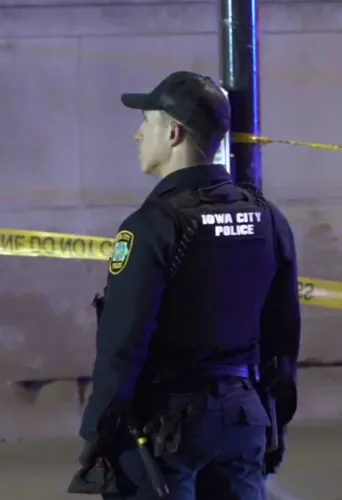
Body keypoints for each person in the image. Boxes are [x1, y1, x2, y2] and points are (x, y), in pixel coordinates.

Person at [69, 71, 301, 499]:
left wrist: (98, 433)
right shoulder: (267, 218)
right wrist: (274, 422)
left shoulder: (153, 225)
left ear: (173, 133)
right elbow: (283, 336)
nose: (138, 135)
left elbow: (124, 340)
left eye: (146, 123)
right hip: (244, 417)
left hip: (165, 425)